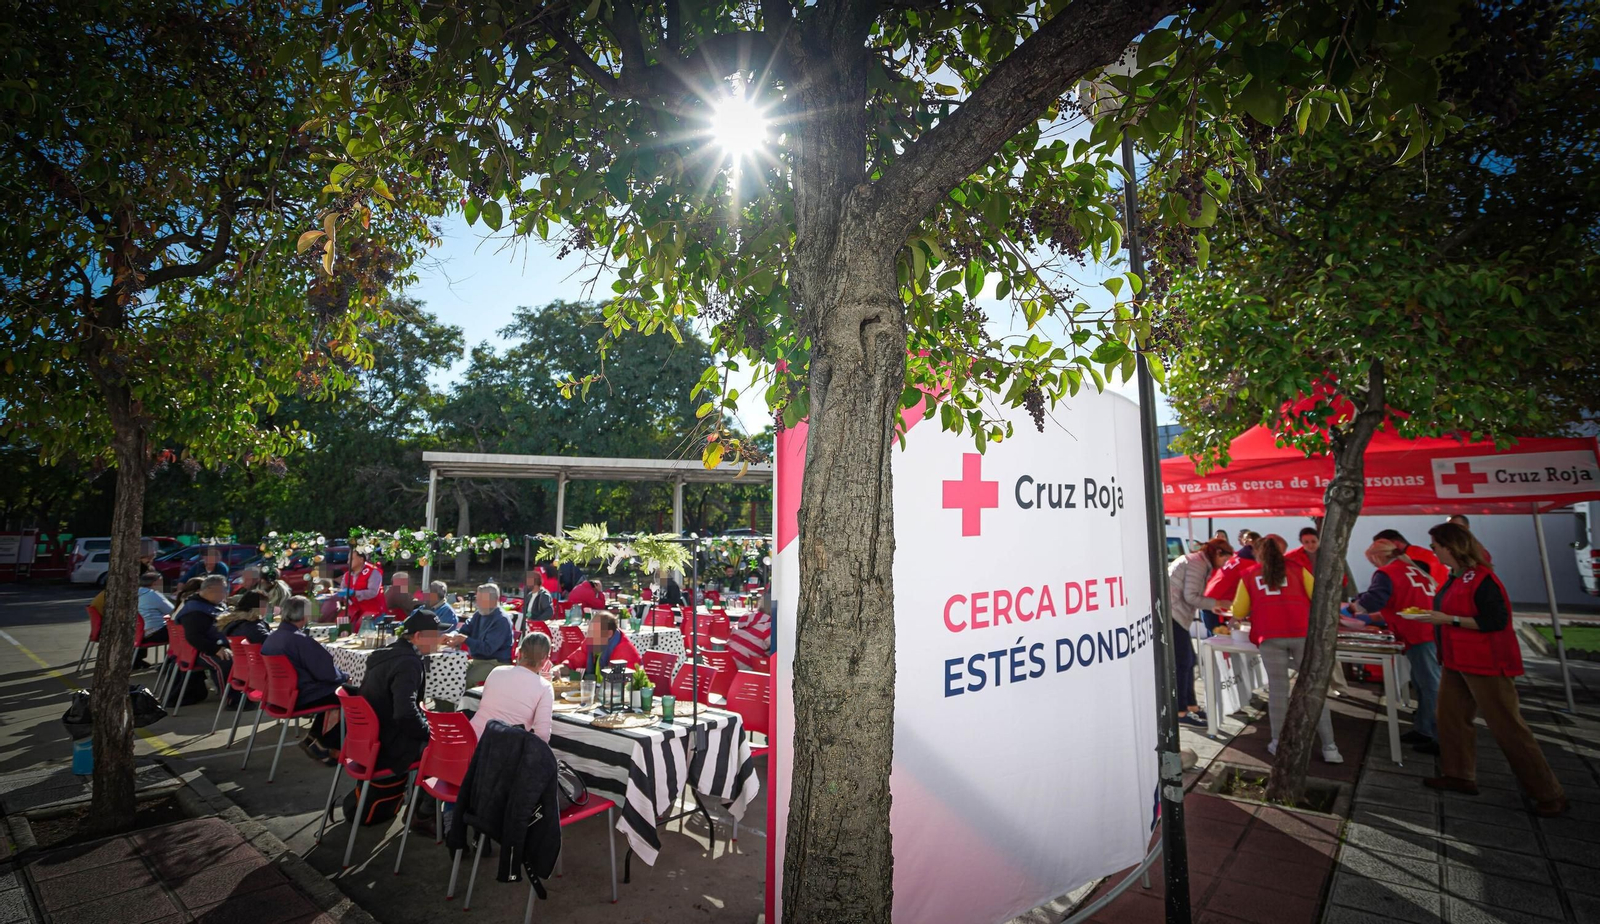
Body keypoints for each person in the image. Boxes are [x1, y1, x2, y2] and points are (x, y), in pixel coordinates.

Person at [1410, 523, 1565, 815]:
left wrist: (1448, 619)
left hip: (1486, 664)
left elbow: (1495, 620)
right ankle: (1459, 775)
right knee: (1450, 720)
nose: (1432, 550)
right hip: (1456, 661)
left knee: (1507, 727)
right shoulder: (1454, 577)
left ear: (1450, 547)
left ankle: (1549, 793)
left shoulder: (1482, 578)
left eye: (1435, 545)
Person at [1232, 535, 1343, 763]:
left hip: (1270, 635)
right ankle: (1331, 747)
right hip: (1302, 633)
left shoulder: (1249, 575)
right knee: (1314, 689)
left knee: (1278, 692)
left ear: (1258, 553)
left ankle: (1278, 742)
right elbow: (1319, 597)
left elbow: (1238, 610)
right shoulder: (1298, 569)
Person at [1351, 540, 1442, 753]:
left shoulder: (1387, 572)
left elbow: (1375, 599)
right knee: (1422, 683)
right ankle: (1423, 728)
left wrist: (1356, 605)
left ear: (1377, 557)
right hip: (1428, 630)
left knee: (1430, 685)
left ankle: (1438, 736)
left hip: (1418, 633)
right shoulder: (1412, 568)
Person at [261, 595, 348, 761]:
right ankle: (324, 742)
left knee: (341, 692)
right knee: (352, 695)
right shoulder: (298, 640)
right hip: (302, 694)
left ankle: (314, 738)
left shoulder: (272, 637)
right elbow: (327, 674)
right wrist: (346, 676)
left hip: (280, 695)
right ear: (305, 616)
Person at [359, 608, 441, 779]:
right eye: (435, 635)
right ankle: (425, 803)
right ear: (418, 636)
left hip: (369, 740)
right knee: (450, 750)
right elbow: (405, 713)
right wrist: (430, 734)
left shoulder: (391, 652)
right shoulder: (408, 663)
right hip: (389, 746)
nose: (439, 640)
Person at [1167, 539, 1230, 726]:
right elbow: (1191, 596)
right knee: (1183, 662)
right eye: (1225, 560)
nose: (1224, 565)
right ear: (1218, 553)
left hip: (1176, 614)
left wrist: (1214, 605)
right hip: (1173, 614)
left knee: (1189, 660)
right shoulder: (1198, 563)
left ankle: (1191, 705)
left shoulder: (1199, 560)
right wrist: (1216, 604)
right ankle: (1180, 711)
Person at [470, 633, 554, 742]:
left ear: (519, 653)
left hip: (471, 739)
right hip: (503, 749)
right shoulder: (545, 687)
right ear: (545, 660)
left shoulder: (497, 671)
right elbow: (542, 735)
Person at [175, 574, 236, 705]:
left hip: (216, 644)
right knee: (225, 661)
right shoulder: (194, 611)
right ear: (210, 590)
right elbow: (194, 637)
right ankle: (229, 697)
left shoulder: (210, 603)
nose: (226, 593)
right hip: (199, 650)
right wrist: (216, 649)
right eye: (224, 590)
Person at [443, 584, 515, 691]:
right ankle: (446, 706)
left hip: (496, 662)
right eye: (478, 598)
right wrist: (452, 635)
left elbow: (487, 649)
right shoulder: (479, 614)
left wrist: (465, 640)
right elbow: (465, 629)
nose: (477, 602)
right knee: (449, 673)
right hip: (478, 660)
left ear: (493, 600)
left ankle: (462, 706)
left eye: (481, 599)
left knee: (464, 680)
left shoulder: (501, 620)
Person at [560, 612, 641, 678]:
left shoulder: (624, 652)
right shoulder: (590, 642)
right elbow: (572, 662)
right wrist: (560, 669)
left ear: (609, 634)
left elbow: (621, 687)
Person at [1373, 528, 1449, 588]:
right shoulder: (1421, 553)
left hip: (1433, 600)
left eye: (1382, 547)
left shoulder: (1409, 560)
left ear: (1396, 544)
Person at [134, 570, 172, 668]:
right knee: (183, 633)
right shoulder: (153, 594)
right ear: (155, 583)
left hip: (139, 632)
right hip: (154, 632)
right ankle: (169, 665)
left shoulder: (135, 593)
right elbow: (172, 611)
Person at [337, 548, 385, 624]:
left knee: (361, 628)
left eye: (351, 559)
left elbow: (373, 592)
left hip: (373, 611)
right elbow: (343, 590)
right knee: (341, 623)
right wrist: (342, 594)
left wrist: (354, 593)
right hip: (355, 611)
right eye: (348, 559)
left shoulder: (373, 572)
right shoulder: (347, 575)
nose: (348, 562)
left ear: (361, 559)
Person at [728, 591, 772, 671]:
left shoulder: (747, 617)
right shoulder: (767, 624)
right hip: (744, 667)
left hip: (728, 662)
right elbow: (776, 646)